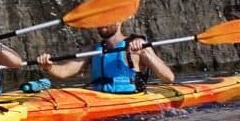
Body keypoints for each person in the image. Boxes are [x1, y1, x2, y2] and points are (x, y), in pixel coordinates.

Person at [34, 21, 175, 93]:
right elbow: (64, 72)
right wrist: (49, 67)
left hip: (130, 105)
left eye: (106, 19)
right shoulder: (92, 50)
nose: (101, 23)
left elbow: (168, 78)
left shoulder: (137, 45)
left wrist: (146, 53)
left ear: (119, 20)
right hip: (99, 98)